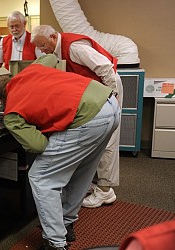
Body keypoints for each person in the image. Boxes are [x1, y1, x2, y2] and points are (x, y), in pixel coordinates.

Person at [0, 54, 120, 250]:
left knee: (41, 178)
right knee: (82, 171)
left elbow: (37, 146)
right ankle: (66, 223)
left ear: (1, 98)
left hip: (88, 118)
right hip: (110, 104)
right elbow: (50, 57)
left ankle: (55, 243)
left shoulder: (11, 113)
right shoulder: (32, 70)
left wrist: (44, 130)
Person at [31, 24, 124, 209]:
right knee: (95, 139)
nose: (41, 50)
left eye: (43, 45)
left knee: (109, 139)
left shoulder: (73, 47)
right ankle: (93, 182)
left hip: (108, 85)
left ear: (52, 37)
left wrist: (112, 95)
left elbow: (105, 67)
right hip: (95, 92)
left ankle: (105, 191)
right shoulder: (56, 49)